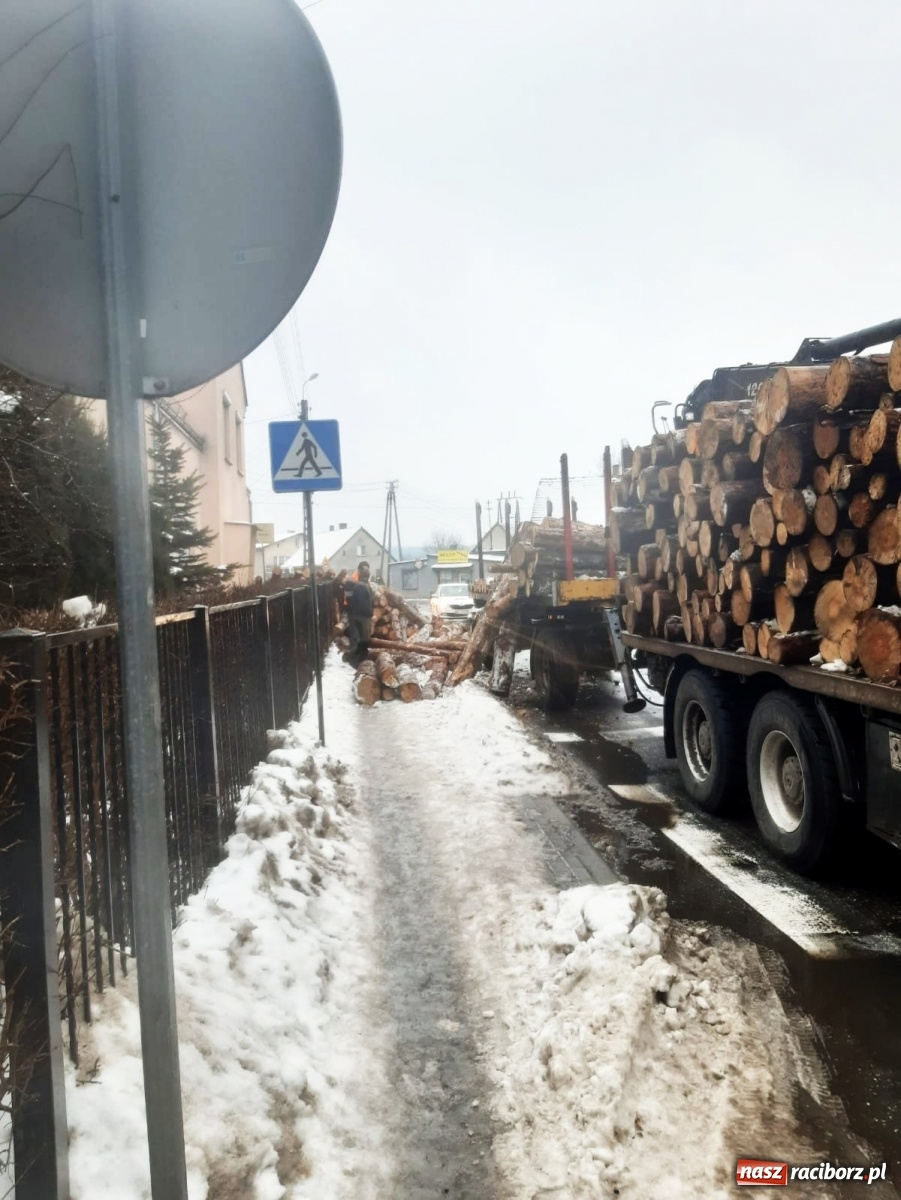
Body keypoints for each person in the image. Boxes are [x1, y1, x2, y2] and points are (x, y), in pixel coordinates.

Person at [344, 560, 373, 665]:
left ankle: (355, 658)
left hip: (357, 613)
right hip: (359, 614)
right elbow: (357, 601)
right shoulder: (357, 583)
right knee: (359, 638)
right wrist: (367, 612)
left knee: (361, 638)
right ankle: (353, 659)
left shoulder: (362, 583)